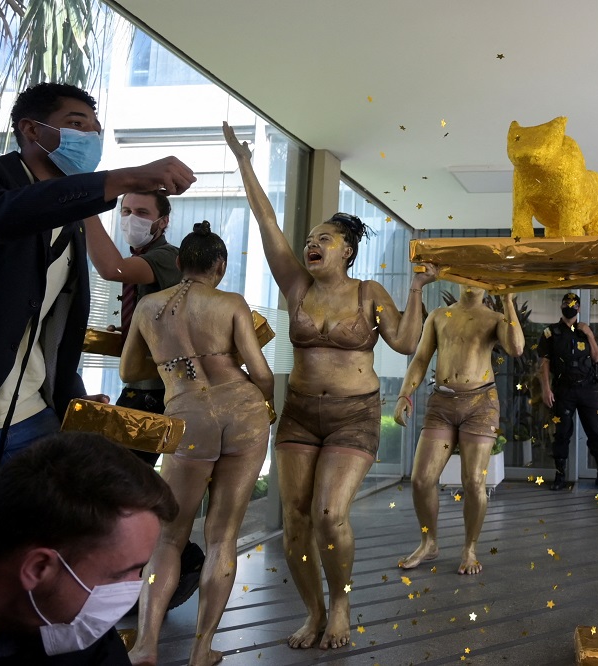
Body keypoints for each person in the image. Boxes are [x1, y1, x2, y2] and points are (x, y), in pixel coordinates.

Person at [223, 122, 437, 650]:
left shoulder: (369, 293)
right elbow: (267, 221)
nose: (312, 243)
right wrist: (245, 162)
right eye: (311, 238)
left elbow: (409, 344)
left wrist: (414, 291)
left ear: (347, 252)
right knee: (294, 520)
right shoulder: (296, 285)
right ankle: (313, 612)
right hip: (298, 412)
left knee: (327, 514)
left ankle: (340, 601)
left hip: (353, 415)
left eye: (325, 239)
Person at [0, 82, 196, 475]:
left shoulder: (152, 252)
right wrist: (124, 179)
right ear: (31, 130)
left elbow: (52, 326)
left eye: (96, 129)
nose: (92, 137)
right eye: (77, 124)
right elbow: (5, 215)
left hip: (33, 415)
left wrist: (72, 397)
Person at [120, 222, 273, 666]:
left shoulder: (149, 306)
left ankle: (146, 645)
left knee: (169, 538)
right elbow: (261, 375)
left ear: (180, 263)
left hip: (187, 414)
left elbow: (131, 372)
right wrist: (265, 405)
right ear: (220, 267)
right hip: (243, 412)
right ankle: (202, 650)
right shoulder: (230, 303)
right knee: (223, 537)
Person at [0, 431, 178, 665]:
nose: (133, 588)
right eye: (119, 575)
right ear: (39, 568)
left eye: (138, 571)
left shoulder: (72, 626)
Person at [394, 287, 524, 574]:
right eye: (464, 275)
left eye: (476, 277)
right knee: (421, 479)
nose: (470, 281)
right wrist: (405, 394)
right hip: (442, 402)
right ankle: (429, 543)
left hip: (481, 403)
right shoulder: (440, 316)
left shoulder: (494, 317)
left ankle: (470, 548)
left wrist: (508, 301)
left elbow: (516, 349)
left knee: (474, 483)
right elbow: (420, 359)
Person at [84, 191, 181, 465]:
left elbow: (114, 270)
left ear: (163, 222)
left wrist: (86, 209)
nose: (130, 219)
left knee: (121, 474)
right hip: (140, 387)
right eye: (125, 211)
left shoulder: (167, 256)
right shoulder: (143, 256)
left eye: (142, 213)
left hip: (157, 392)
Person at [537, 292, 598, 491]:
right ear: (561, 306)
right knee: (562, 433)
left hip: (587, 389)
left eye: (572, 304)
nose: (569, 306)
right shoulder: (550, 332)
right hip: (564, 390)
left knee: (596, 432)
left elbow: (597, 357)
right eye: (565, 303)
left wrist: (589, 334)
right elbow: (544, 363)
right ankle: (560, 476)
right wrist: (546, 389)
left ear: (578, 308)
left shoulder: (585, 330)